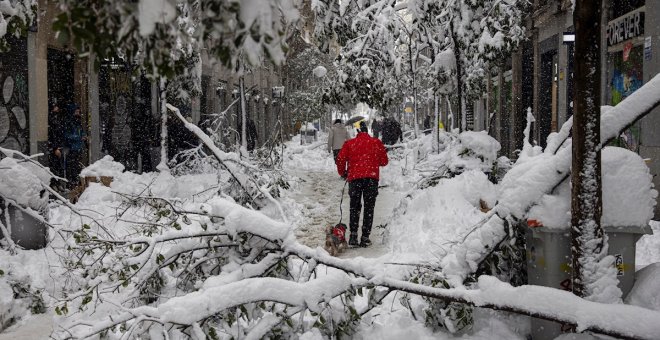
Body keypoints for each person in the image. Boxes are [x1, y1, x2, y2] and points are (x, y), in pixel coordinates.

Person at [336, 121, 389, 247]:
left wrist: (343, 173)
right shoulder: (376, 143)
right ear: (368, 132)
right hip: (371, 179)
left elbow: (340, 159)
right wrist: (373, 161)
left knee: (354, 207)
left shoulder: (350, 143)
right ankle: (365, 237)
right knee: (369, 208)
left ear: (358, 132)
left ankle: (353, 236)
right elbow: (384, 161)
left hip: (355, 179)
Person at [63, 103, 87, 189]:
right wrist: (79, 138)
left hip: (78, 148)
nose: (78, 113)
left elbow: (81, 131)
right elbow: (67, 135)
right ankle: (72, 183)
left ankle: (76, 182)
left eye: (78, 112)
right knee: (71, 167)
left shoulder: (78, 122)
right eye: (76, 112)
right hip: (71, 148)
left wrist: (83, 135)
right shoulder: (69, 122)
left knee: (76, 166)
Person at [48, 101, 66, 190]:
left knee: (59, 166)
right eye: (55, 107)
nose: (57, 108)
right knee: (54, 166)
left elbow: (59, 133)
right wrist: (55, 148)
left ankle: (58, 183)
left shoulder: (58, 118)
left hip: (58, 145)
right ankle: (54, 183)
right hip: (54, 147)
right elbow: (52, 135)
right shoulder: (51, 119)